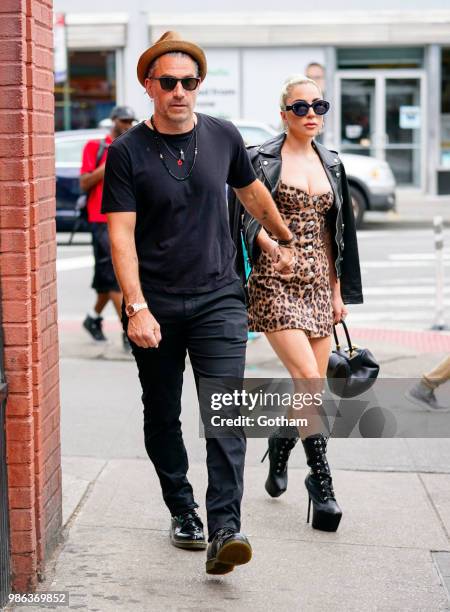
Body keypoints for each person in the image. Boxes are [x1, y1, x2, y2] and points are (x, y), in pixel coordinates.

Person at [101, 31, 296, 575]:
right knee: (162, 414)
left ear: (199, 85)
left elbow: (251, 192)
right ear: (149, 86)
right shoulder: (126, 153)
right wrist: (135, 307)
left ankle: (225, 528)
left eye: (189, 82)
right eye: (168, 82)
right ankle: (183, 509)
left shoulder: (223, 136)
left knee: (225, 413)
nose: (180, 91)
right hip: (155, 305)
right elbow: (121, 236)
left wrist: (281, 239)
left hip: (219, 298)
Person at [229, 74, 363, 532]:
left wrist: (338, 292)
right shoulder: (261, 158)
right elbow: (245, 214)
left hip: (318, 284)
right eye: (301, 107)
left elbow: (336, 236)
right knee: (306, 377)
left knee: (312, 389)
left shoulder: (333, 164)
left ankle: (284, 439)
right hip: (274, 280)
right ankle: (322, 487)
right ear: (284, 113)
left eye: (318, 107)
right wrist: (272, 250)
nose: (310, 115)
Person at [80, 105, 136, 350]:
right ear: (113, 121)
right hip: (100, 219)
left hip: (128, 219)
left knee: (107, 278)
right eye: (123, 120)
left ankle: (92, 319)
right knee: (113, 278)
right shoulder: (97, 147)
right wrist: (107, 166)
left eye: (130, 121)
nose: (127, 125)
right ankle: (128, 329)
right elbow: (84, 183)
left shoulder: (132, 145)